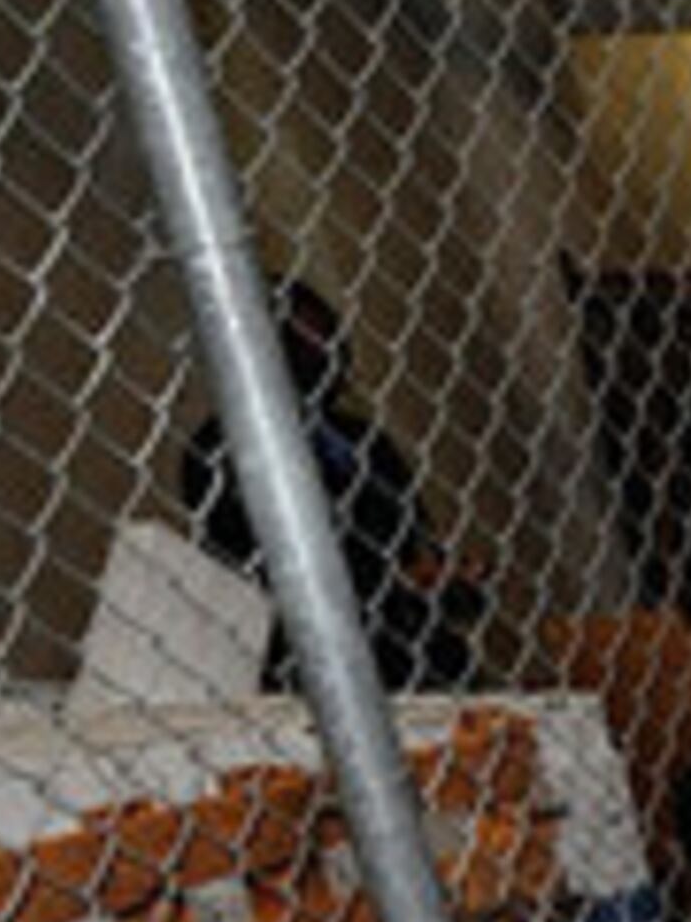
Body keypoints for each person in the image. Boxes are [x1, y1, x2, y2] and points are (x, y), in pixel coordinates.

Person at [180, 278, 478, 691]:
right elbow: (252, 563)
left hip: (412, 650)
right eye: (300, 334)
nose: (323, 348)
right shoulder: (219, 450)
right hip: (311, 664)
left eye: (324, 331)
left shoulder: (360, 437)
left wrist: (441, 575)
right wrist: (383, 577)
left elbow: (416, 540)